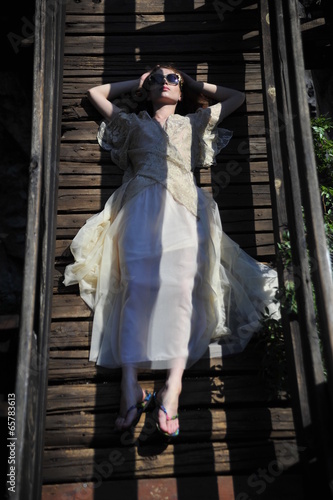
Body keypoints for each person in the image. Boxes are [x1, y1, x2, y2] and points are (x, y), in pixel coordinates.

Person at [63, 64, 280, 437]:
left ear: (181, 91)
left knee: (183, 288)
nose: (166, 83)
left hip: (184, 208)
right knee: (136, 287)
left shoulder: (192, 123)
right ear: (147, 90)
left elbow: (237, 98)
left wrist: (194, 83)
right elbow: (96, 95)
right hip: (138, 207)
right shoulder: (132, 123)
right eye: (158, 79)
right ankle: (129, 385)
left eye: (172, 79)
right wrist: (138, 81)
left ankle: (173, 385)